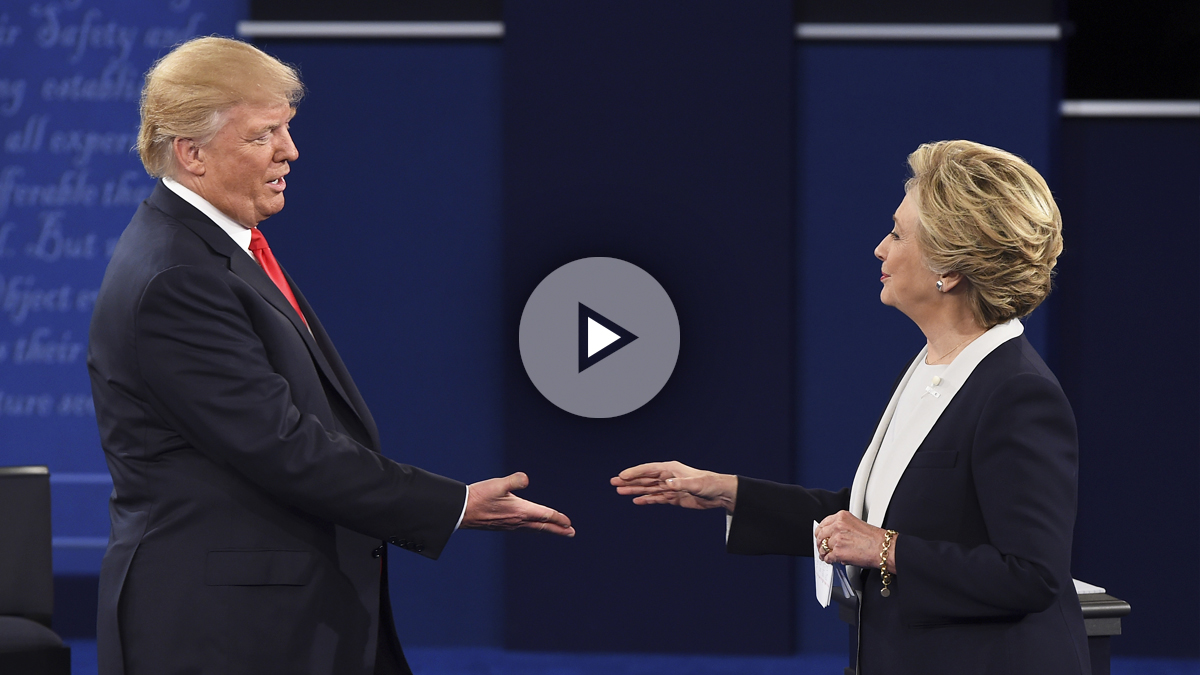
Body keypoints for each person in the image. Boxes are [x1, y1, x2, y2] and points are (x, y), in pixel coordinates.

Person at [88, 36, 573, 675]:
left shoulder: (214, 250)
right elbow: (284, 448)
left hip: (282, 615)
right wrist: (451, 506)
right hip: (223, 633)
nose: (290, 151)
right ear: (192, 153)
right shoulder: (178, 276)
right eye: (264, 135)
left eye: (286, 129)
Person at [612, 140, 1089, 674]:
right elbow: (881, 517)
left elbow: (1032, 575)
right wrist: (731, 494)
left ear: (949, 269)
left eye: (897, 233)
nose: (880, 249)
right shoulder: (936, 367)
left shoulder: (1016, 393)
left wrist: (884, 549)